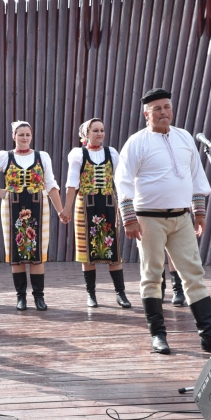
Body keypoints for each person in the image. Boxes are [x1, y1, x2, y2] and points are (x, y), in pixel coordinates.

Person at [115, 88, 211, 356]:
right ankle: (158, 335)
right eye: (157, 108)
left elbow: (196, 176)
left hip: (181, 218)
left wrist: (199, 213)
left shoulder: (185, 137)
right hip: (148, 220)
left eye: (167, 106)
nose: (164, 112)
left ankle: (210, 337)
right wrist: (129, 219)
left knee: (194, 275)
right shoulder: (136, 142)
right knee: (152, 276)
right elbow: (122, 182)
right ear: (146, 114)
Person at [0, 121, 63, 311]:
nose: (25, 138)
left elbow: (50, 183)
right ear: (14, 136)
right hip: (12, 207)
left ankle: (39, 297)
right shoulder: (5, 157)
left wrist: (61, 210)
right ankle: (21, 297)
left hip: (38, 206)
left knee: (37, 253)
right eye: (21, 134)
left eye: (28, 134)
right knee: (16, 252)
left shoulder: (42, 156)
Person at [60, 119, 131, 308]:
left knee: (113, 251)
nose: (100, 134)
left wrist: (127, 206)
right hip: (85, 205)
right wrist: (67, 208)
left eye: (102, 130)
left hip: (108, 204)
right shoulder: (78, 154)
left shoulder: (111, 153)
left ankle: (120, 293)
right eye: (95, 130)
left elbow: (121, 181)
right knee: (86, 253)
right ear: (86, 133)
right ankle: (91, 294)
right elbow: (72, 184)